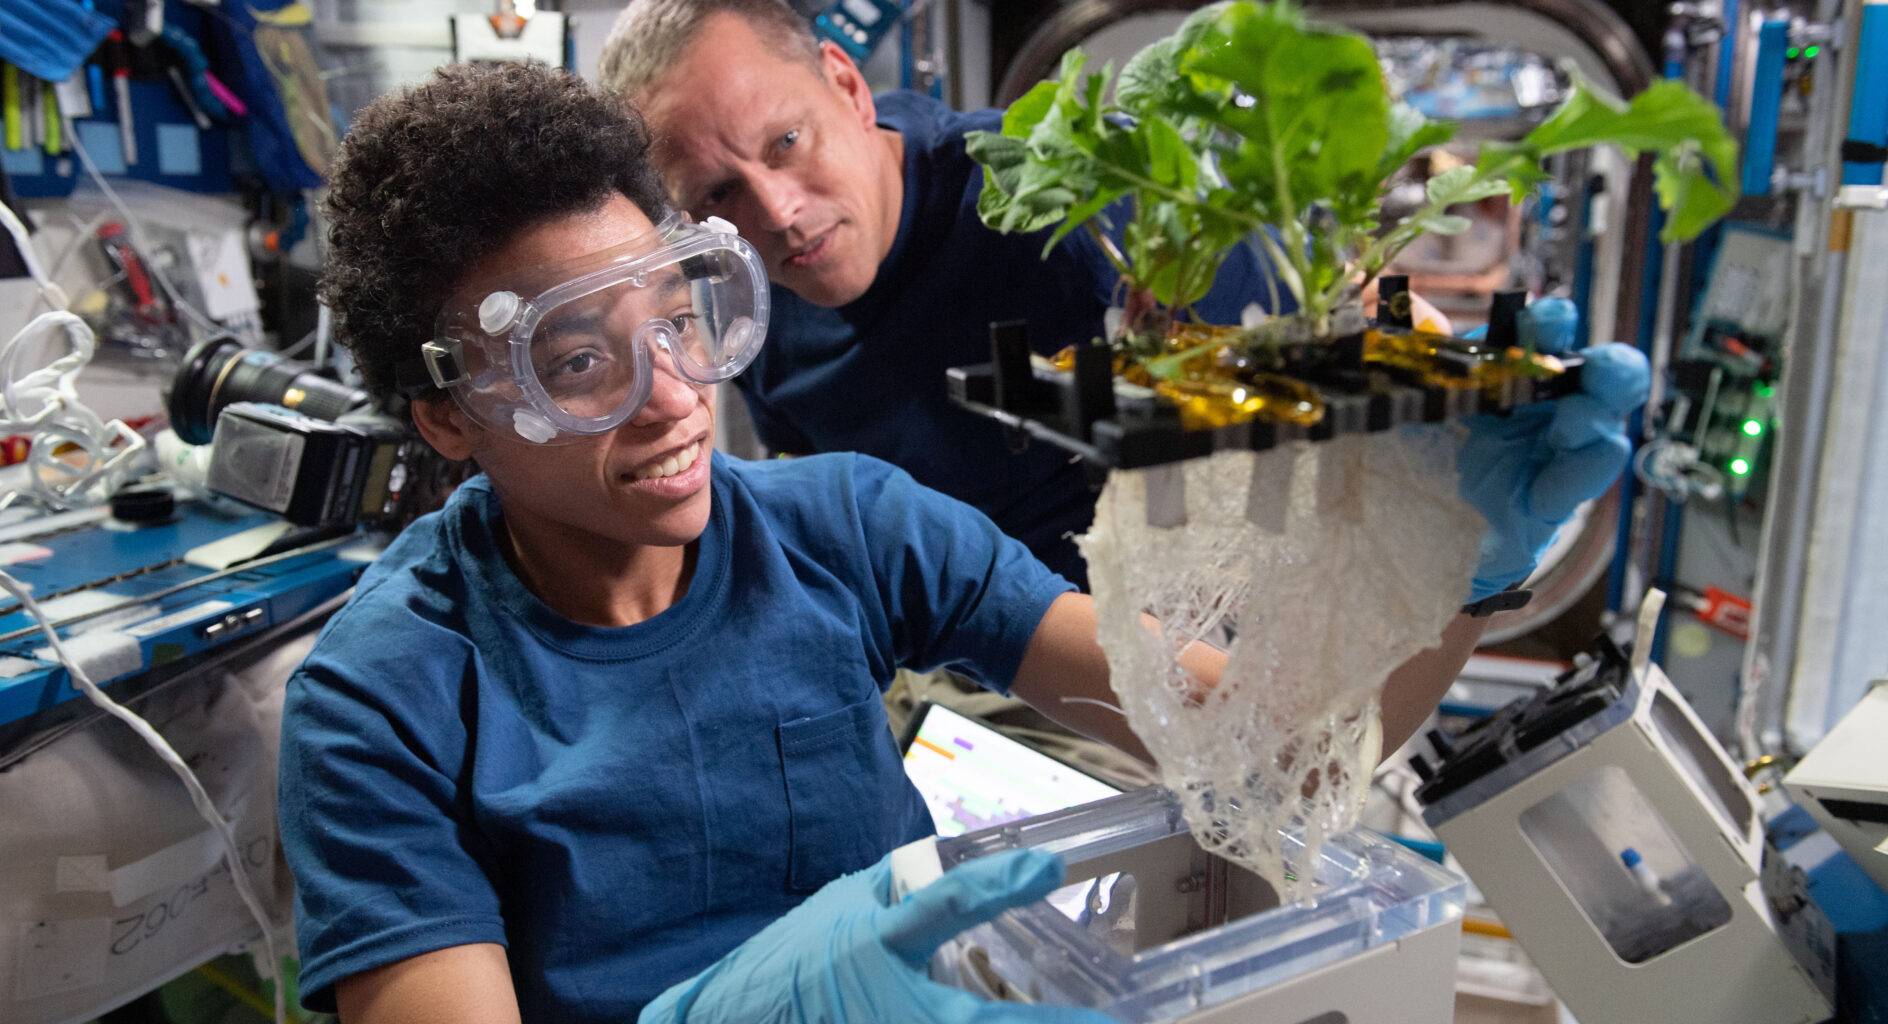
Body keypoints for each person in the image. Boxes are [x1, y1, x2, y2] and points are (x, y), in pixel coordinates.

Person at [280, 60, 1495, 1023]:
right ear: (449, 413)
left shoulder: (849, 526)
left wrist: (1462, 563)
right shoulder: (380, 701)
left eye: (677, 318)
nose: (674, 396)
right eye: (581, 363)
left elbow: (1272, 758)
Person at [598, 0, 1634, 609]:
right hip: (993, 678)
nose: (777, 214)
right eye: (719, 194)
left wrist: (1452, 510)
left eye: (787, 143)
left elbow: (1340, 358)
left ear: (846, 85)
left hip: (1218, 622)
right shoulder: (760, 324)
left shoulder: (1065, 201)